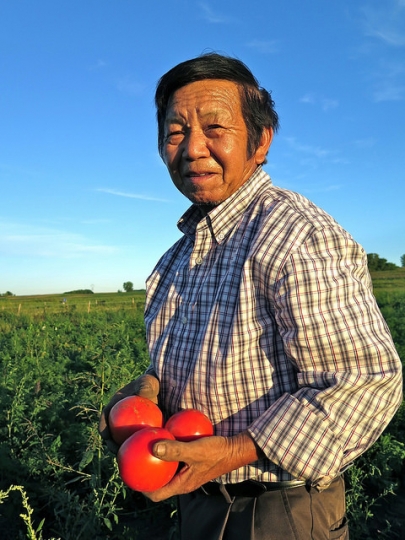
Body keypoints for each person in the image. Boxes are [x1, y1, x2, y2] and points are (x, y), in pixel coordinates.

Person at [99, 53, 403, 539]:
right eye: (175, 132)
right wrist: (147, 396)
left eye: (215, 128)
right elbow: (197, 364)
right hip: (196, 498)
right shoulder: (176, 259)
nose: (193, 148)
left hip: (278, 510)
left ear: (260, 141)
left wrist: (237, 449)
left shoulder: (293, 235)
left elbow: (365, 382)